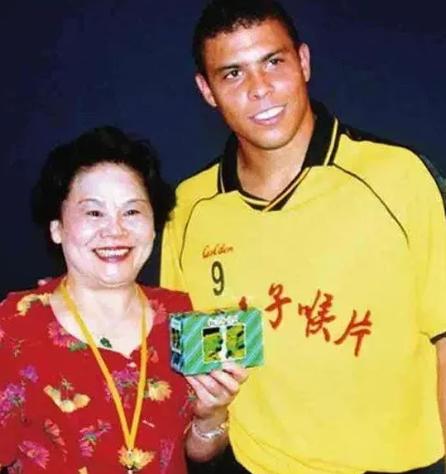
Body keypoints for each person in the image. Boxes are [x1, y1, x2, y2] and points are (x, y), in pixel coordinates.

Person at [160, 0, 446, 473]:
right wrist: (207, 419)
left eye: (273, 62)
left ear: (304, 62)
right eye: (233, 74)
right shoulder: (189, 208)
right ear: (207, 90)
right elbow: (198, 420)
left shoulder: (397, 177)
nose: (259, 88)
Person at [0, 126, 247, 473]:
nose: (115, 231)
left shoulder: (183, 317)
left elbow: (198, 452)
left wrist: (211, 414)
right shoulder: (14, 328)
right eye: (94, 213)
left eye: (132, 212)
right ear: (57, 227)